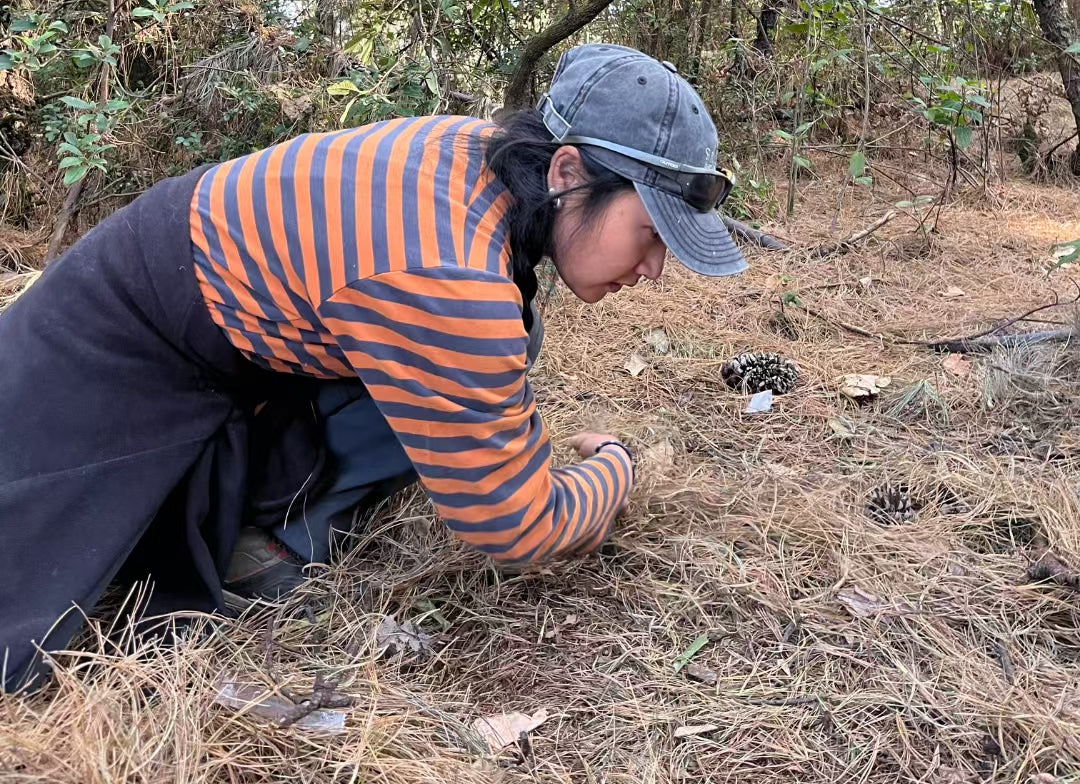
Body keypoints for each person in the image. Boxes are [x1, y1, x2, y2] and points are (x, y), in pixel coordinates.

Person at [0, 43, 744, 690]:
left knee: (518, 332)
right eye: (649, 233)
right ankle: (263, 538)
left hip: (220, 334)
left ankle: (266, 529)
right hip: (107, 354)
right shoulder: (446, 275)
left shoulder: (479, 157)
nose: (653, 269)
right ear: (566, 170)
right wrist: (615, 467)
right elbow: (521, 528)